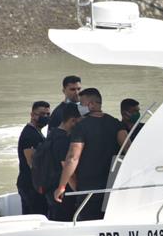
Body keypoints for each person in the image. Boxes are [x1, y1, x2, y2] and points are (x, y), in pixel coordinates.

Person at [54, 88, 128, 221]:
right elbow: (128, 149)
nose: (79, 108)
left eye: (81, 104)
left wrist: (62, 186)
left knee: (89, 222)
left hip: (88, 187)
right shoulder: (116, 123)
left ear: (92, 104)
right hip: (112, 186)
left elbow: (72, 157)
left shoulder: (81, 126)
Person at [45, 103, 81, 221]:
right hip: (61, 193)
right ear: (73, 120)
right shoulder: (63, 141)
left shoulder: (52, 134)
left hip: (50, 188)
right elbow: (66, 166)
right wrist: (78, 191)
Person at [17, 101, 50, 215]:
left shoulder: (37, 132)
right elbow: (32, 163)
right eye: (41, 114)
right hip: (30, 185)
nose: (45, 117)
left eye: (47, 114)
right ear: (32, 115)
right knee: (36, 216)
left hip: (31, 184)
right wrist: (40, 184)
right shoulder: (29, 135)